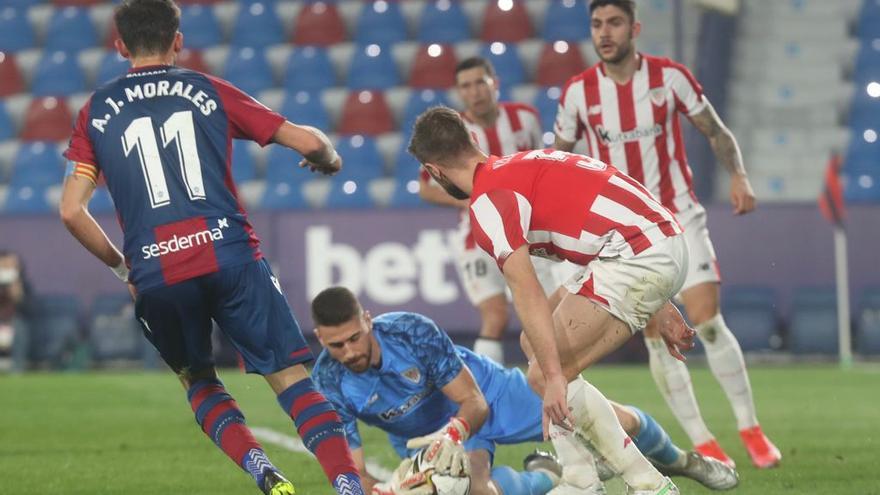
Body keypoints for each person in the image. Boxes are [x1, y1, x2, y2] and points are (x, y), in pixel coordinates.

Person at [59, 1, 365, 494]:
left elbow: (72, 211)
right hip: (230, 255)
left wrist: (124, 269)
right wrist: (328, 157)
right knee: (290, 377)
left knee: (198, 379)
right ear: (178, 40)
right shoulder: (205, 89)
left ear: (119, 45)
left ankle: (264, 472)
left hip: (157, 272)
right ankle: (348, 484)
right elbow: (306, 143)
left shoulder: (96, 110)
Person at [409, 106, 704, 494]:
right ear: (473, 141)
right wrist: (661, 300)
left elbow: (526, 290)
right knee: (532, 342)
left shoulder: (487, 201)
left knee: (545, 372)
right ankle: (581, 476)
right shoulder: (520, 166)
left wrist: (552, 377)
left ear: (435, 171)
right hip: (659, 240)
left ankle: (649, 484)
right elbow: (607, 209)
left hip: (636, 254)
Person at [553, 0, 779, 469]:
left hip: (679, 216)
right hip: (621, 233)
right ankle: (703, 439)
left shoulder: (669, 78)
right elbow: (560, 161)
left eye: (614, 22)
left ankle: (750, 427)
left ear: (634, 27)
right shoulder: (579, 93)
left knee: (707, 318)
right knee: (656, 333)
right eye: (596, 24)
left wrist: (738, 175)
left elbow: (714, 131)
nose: (605, 32)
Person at [309, 287, 736, 495]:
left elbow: (471, 403)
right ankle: (547, 477)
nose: (348, 352)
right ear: (320, 339)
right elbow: (354, 471)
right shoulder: (329, 381)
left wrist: (453, 438)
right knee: (476, 492)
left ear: (368, 320)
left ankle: (681, 461)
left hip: (485, 395)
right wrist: (384, 491)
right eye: (336, 345)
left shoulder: (410, 331)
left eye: (354, 338)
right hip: (423, 439)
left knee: (594, 414)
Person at [418, 57, 557, 366]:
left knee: (545, 310)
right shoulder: (454, 131)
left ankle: (551, 377)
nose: (475, 92)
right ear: (458, 92)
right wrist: (470, 200)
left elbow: (540, 164)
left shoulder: (526, 118)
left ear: (494, 83)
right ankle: (486, 393)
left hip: (527, 231)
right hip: (476, 237)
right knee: (494, 315)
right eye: (466, 86)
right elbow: (426, 187)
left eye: (480, 82)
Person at [0, 250, 32, 373]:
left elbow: (30, 311)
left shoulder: (23, 285)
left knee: (20, 326)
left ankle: (17, 369)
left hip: (13, 325)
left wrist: (18, 295)